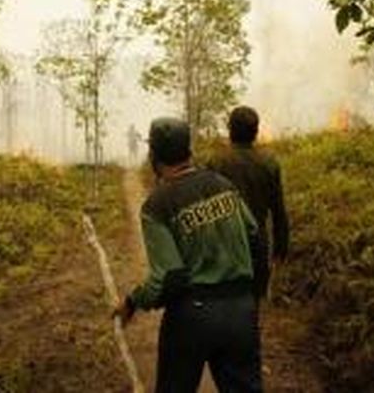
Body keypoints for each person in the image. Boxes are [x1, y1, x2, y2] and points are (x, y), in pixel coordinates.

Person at [114, 117, 264, 393]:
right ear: (189, 151)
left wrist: (134, 300)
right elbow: (254, 236)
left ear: (154, 156)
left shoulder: (157, 205)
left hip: (192, 318)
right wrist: (249, 296)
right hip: (241, 310)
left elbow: (169, 277)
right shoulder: (223, 185)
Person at [208, 106, 290, 299]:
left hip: (223, 248)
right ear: (256, 131)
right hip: (257, 247)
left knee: (224, 305)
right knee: (252, 307)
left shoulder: (216, 163)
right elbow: (279, 211)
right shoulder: (269, 164)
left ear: (230, 130)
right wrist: (281, 249)